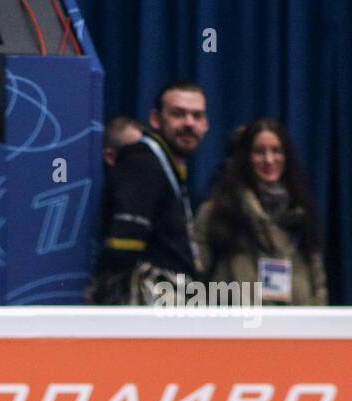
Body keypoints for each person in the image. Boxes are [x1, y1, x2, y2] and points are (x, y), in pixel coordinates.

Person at [89, 81, 209, 304]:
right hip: (147, 313)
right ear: (155, 119)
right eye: (178, 114)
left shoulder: (168, 166)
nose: (189, 123)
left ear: (206, 125)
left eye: (197, 116)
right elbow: (122, 248)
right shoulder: (142, 162)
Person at [194, 119, 327, 305]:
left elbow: (317, 281)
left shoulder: (301, 212)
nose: (269, 160)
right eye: (259, 152)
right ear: (245, 158)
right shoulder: (216, 212)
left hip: (295, 328)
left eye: (276, 151)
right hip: (237, 329)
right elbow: (195, 280)